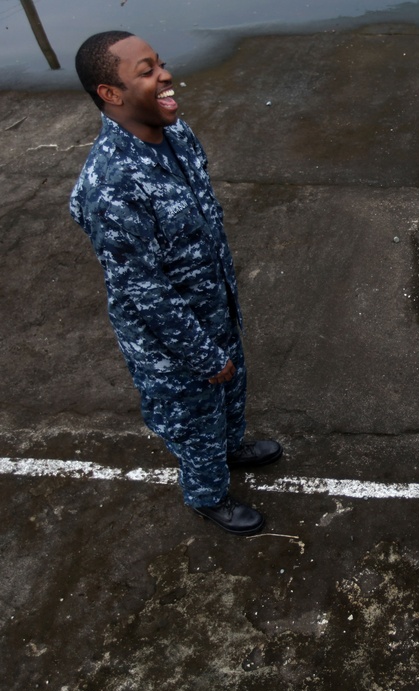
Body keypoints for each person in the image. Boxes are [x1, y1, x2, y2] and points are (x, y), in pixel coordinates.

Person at [70, 31, 282, 535]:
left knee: (231, 393)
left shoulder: (176, 132)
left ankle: (232, 448)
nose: (165, 76)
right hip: (173, 343)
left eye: (160, 64)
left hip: (213, 308)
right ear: (111, 94)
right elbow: (143, 293)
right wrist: (204, 356)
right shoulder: (114, 184)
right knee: (194, 422)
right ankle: (207, 495)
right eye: (145, 71)